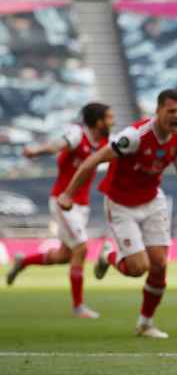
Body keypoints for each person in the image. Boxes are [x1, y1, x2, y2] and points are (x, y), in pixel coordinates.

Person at [57, 89, 177, 338]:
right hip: (120, 205)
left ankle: (145, 323)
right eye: (171, 111)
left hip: (152, 201)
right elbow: (94, 160)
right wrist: (67, 194)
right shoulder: (134, 137)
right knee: (138, 268)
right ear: (158, 111)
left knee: (160, 265)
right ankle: (109, 255)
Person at [6, 103, 114, 319]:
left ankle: (22, 262)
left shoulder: (104, 141)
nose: (113, 122)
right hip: (63, 201)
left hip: (81, 205)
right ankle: (78, 306)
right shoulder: (77, 135)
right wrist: (36, 151)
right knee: (81, 249)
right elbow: (57, 146)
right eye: (109, 118)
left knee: (65, 255)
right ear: (98, 121)